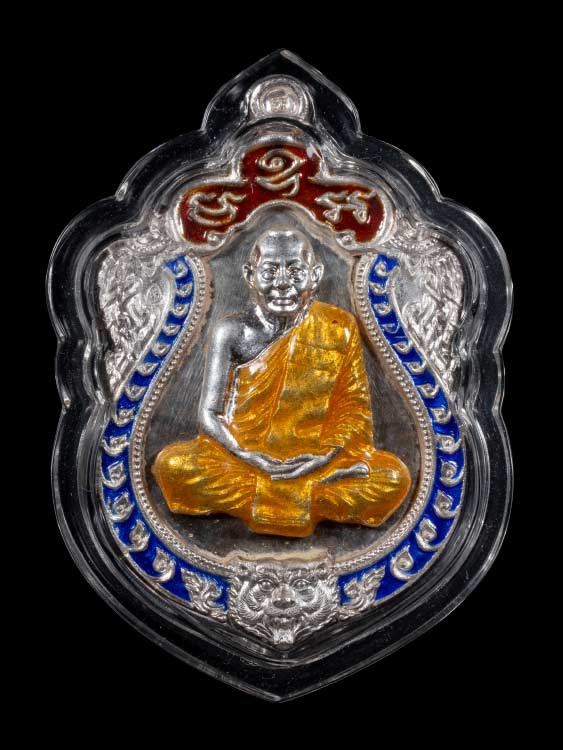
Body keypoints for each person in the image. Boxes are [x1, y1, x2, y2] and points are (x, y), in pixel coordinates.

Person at [152, 227, 411, 537]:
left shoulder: (338, 327)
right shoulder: (231, 331)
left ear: (315, 275)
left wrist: (325, 457)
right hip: (244, 460)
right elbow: (209, 414)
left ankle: (276, 497)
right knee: (173, 467)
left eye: (296, 271)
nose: (284, 283)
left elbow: (353, 409)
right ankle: (305, 499)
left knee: (394, 478)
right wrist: (244, 454)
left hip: (315, 461)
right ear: (250, 275)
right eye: (270, 271)